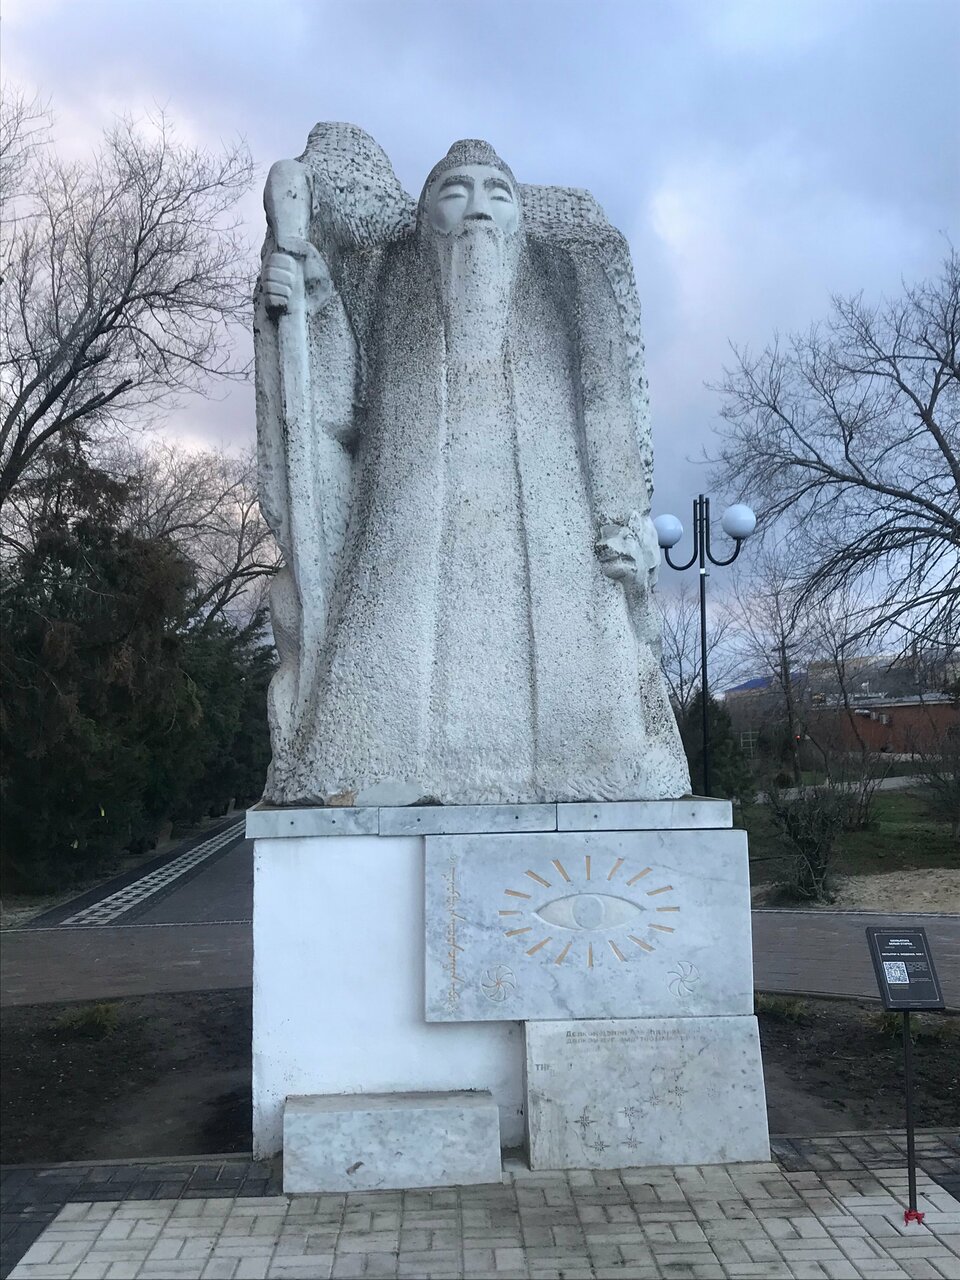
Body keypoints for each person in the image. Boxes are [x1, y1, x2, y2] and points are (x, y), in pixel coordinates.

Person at [254, 128, 690, 806]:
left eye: (498, 193)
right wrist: (308, 302)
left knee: (590, 723)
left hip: (551, 535)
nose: (479, 207)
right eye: (456, 192)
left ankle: (584, 762)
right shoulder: (386, 279)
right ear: (427, 212)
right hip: (407, 528)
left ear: (519, 215)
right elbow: (338, 409)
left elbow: (607, 407)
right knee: (373, 711)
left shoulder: (564, 283)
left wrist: (624, 521)